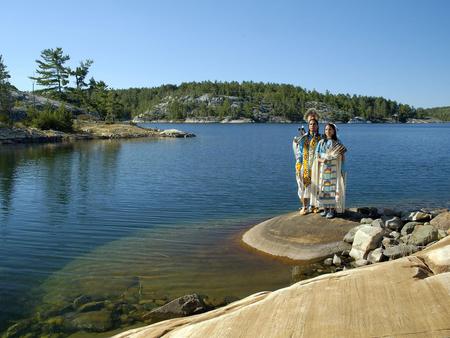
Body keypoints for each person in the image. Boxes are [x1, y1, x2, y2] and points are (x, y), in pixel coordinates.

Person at [311, 123, 347, 219]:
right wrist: (322, 160)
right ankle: (325, 208)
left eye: (330, 129)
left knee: (332, 189)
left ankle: (332, 210)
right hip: (324, 168)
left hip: (334, 168)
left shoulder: (337, 142)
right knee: (323, 188)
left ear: (334, 131)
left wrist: (340, 162)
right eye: (326, 129)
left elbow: (342, 155)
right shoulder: (321, 142)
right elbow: (316, 155)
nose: (328, 131)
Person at [293, 118, 321, 215]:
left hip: (317, 165)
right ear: (308, 126)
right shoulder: (304, 138)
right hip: (305, 165)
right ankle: (305, 206)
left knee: (316, 186)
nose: (312, 126)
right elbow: (299, 152)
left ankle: (314, 205)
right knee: (304, 186)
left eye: (314, 124)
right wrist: (298, 164)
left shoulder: (321, 138)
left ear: (317, 126)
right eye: (311, 124)